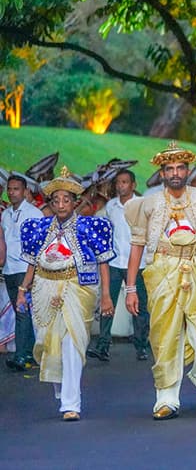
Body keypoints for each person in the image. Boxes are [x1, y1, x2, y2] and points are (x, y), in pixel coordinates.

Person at [124, 142, 196, 420]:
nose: (176, 173)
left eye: (180, 168)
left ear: (188, 170)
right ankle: (166, 399)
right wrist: (131, 288)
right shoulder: (149, 202)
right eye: (170, 169)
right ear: (162, 173)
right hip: (162, 270)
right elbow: (137, 244)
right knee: (165, 335)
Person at [18, 166, 115, 421]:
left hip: (77, 289)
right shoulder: (38, 229)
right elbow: (32, 262)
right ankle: (63, 390)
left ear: (75, 202)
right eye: (56, 200)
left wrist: (106, 295)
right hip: (44, 287)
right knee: (48, 342)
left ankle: (72, 403)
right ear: (50, 203)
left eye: (66, 200)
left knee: (72, 343)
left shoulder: (90, 227)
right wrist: (22, 289)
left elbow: (103, 261)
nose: (61, 204)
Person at [87, 170, 151, 362]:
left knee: (139, 305)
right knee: (108, 303)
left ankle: (141, 345)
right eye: (118, 183)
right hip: (115, 261)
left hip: (137, 263)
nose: (121, 186)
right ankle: (103, 346)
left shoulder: (141, 206)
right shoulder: (111, 207)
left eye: (125, 182)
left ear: (133, 185)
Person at [2, 173, 44, 370]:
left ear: (25, 191)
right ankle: (28, 353)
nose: (12, 193)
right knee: (21, 312)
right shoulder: (6, 214)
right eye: (9, 189)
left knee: (22, 312)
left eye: (16, 189)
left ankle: (22, 354)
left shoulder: (34, 213)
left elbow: (37, 247)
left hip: (25, 269)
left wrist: (31, 274)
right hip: (10, 269)